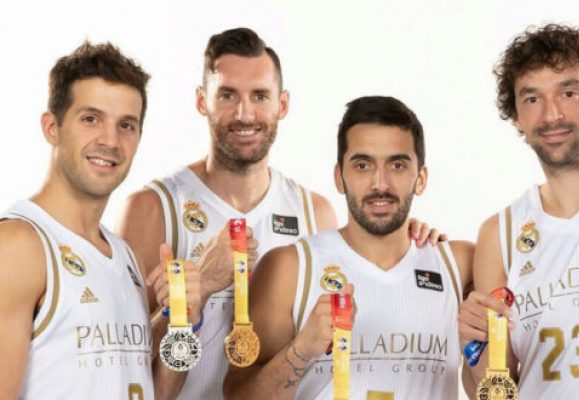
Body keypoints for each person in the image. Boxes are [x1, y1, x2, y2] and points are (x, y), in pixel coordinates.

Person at [118, 28, 442, 399]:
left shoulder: (313, 212)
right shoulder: (153, 208)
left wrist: (415, 243)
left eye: (259, 96)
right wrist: (200, 287)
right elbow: (122, 361)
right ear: (202, 101)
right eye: (227, 95)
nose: (244, 113)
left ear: (282, 104)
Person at [223, 95, 472, 399]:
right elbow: (238, 395)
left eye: (397, 165)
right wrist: (301, 350)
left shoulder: (459, 265)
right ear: (339, 178)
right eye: (363, 165)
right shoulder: (289, 268)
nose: (380, 184)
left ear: (420, 179)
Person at [458, 24, 579, 399]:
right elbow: (495, 390)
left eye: (568, 93)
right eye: (532, 98)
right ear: (516, 116)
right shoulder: (499, 233)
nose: (551, 115)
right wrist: (475, 342)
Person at [0, 41, 163, 398]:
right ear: (52, 127)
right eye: (91, 119)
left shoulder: (125, 257)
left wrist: (182, 318)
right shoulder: (17, 247)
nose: (110, 140)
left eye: (126, 125)